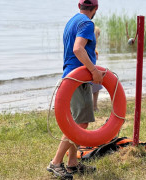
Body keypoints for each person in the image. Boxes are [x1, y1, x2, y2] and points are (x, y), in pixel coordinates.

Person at [46, 0, 104, 179]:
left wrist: (90, 56)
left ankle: (72, 163)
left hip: (71, 75)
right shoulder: (87, 23)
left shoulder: (72, 21)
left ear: (79, 6)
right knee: (80, 124)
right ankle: (56, 163)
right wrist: (93, 70)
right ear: (95, 9)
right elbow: (78, 48)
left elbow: (77, 49)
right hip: (77, 78)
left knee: (76, 121)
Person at [92, 26, 103, 111]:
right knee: (96, 85)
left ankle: (94, 106)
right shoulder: (92, 48)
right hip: (90, 71)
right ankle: (94, 106)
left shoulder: (93, 49)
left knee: (96, 86)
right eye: (98, 35)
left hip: (91, 70)